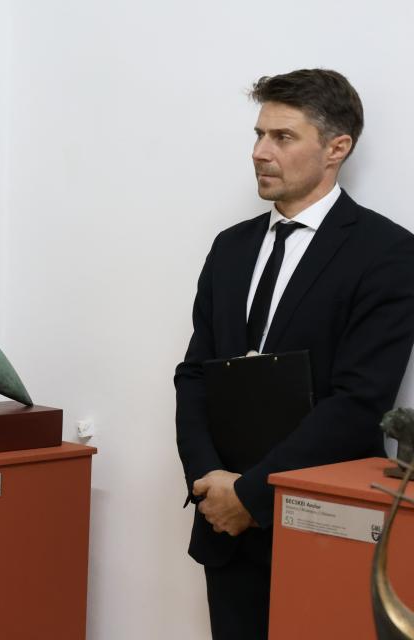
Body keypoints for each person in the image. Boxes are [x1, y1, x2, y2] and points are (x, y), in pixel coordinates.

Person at [174, 69, 414, 639]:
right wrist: (208, 479)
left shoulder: (388, 253)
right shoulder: (230, 248)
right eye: (259, 134)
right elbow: (195, 374)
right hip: (224, 525)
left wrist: (252, 494)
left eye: (282, 137)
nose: (260, 152)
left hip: (325, 520)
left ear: (337, 148)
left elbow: (360, 402)